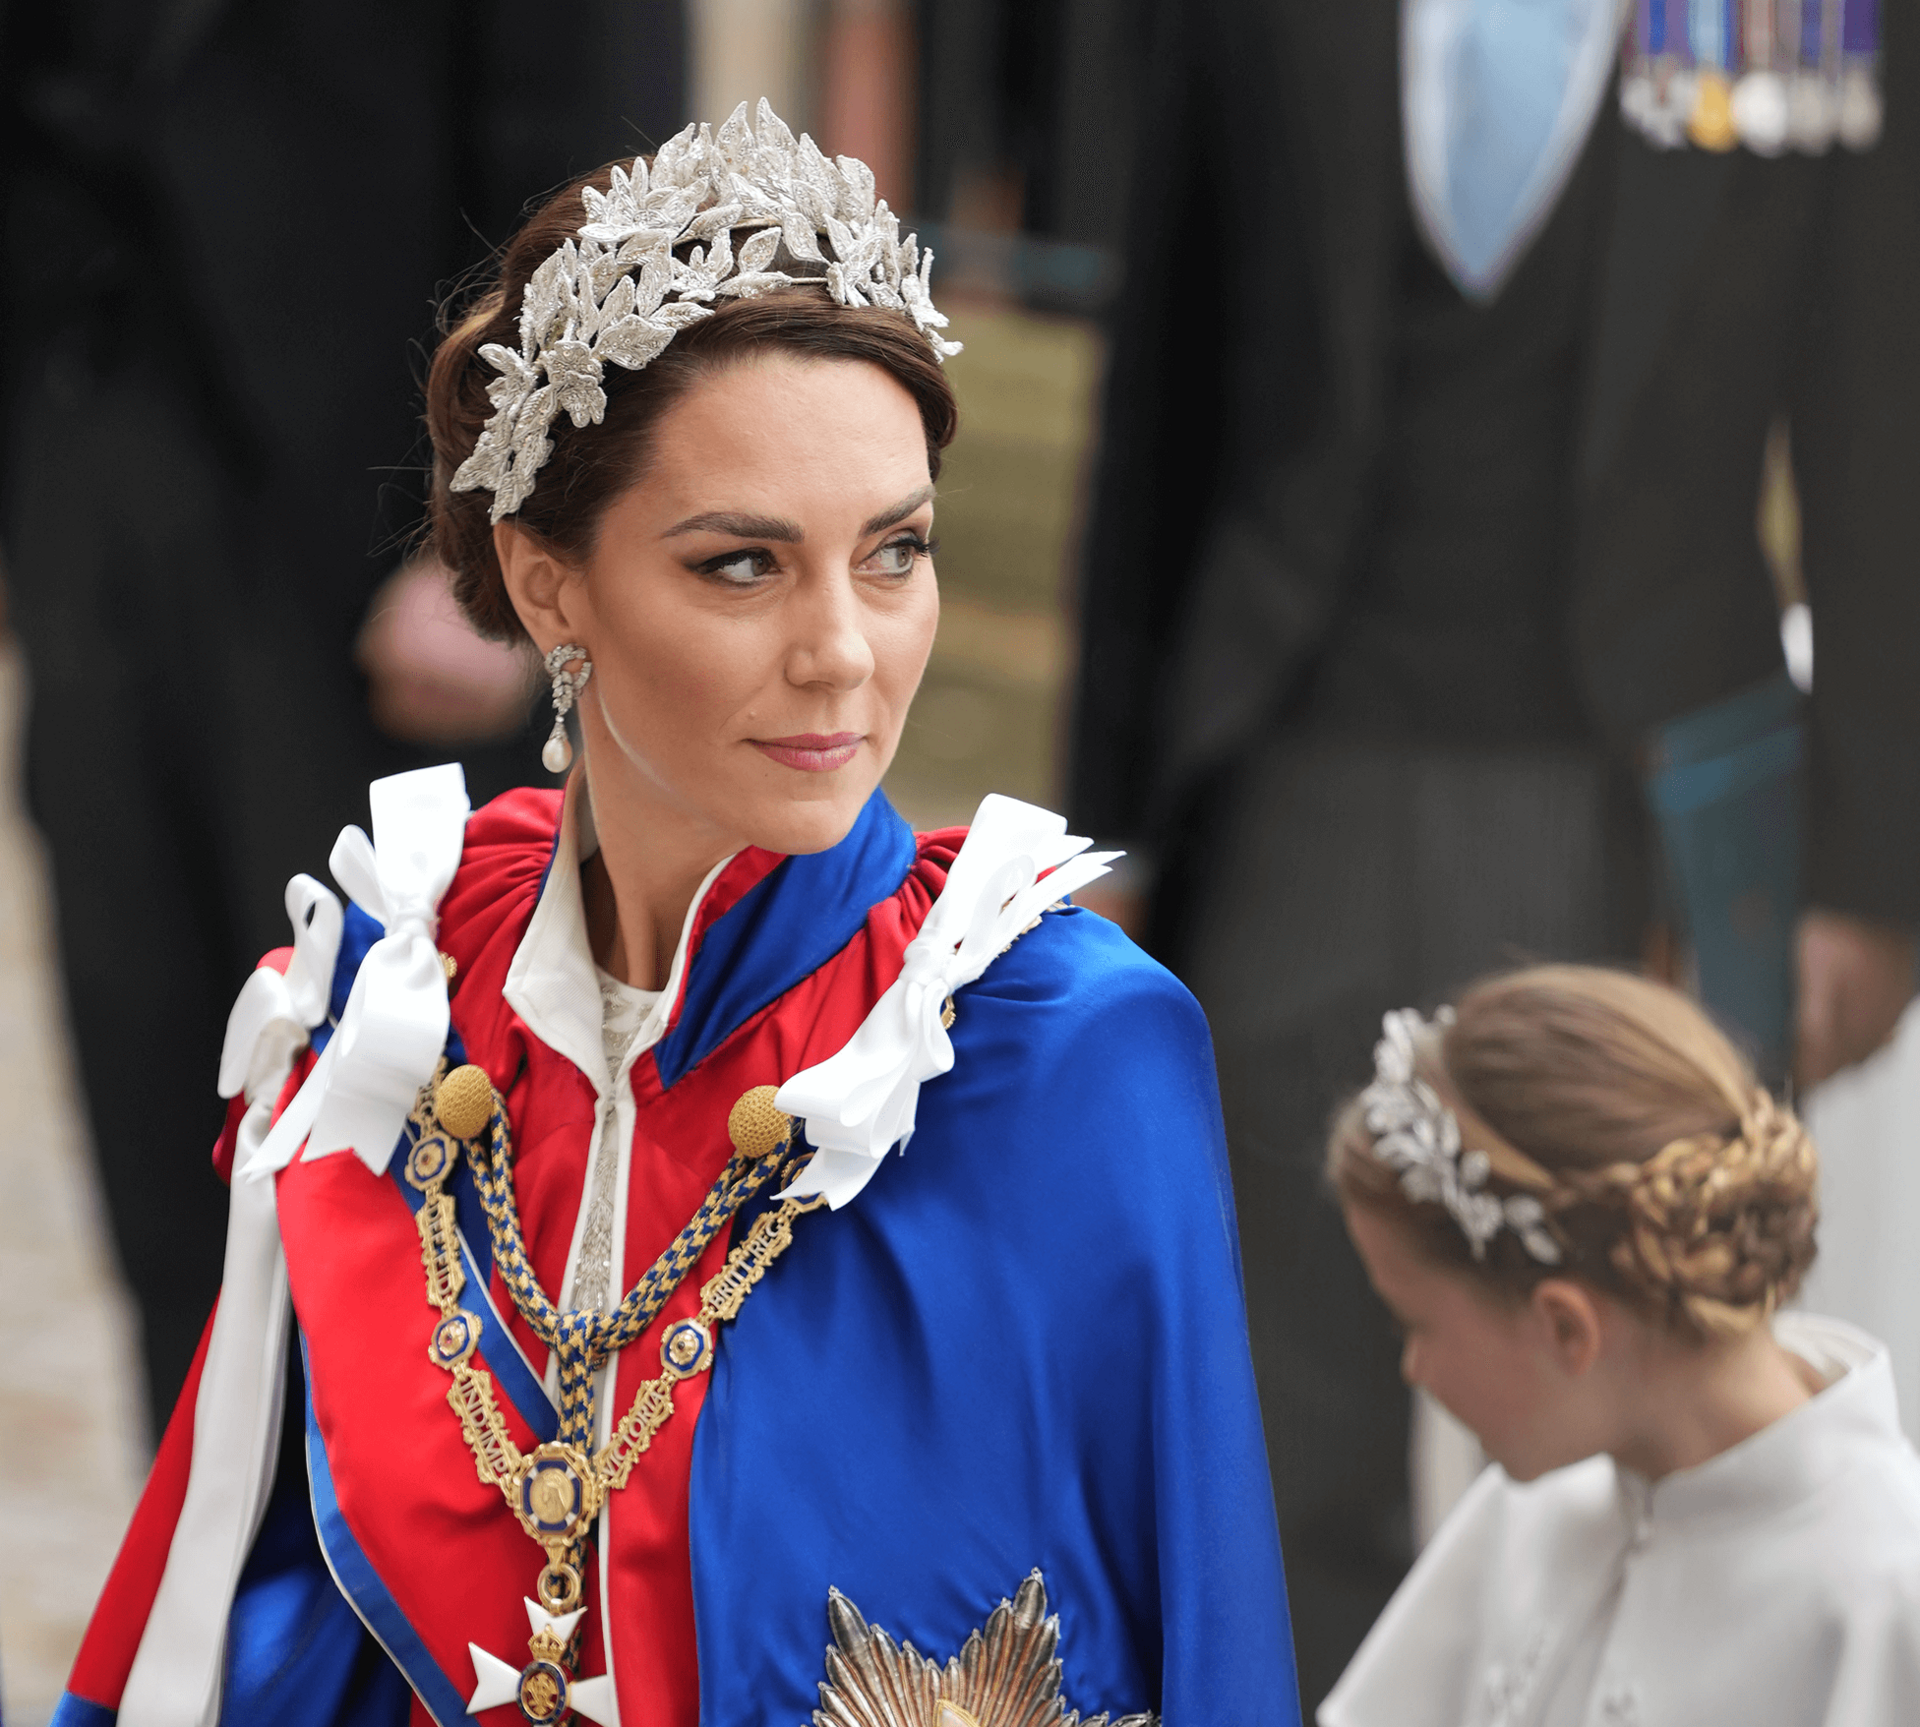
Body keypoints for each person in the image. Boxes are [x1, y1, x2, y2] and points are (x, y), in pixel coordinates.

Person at [51, 103, 1297, 1727]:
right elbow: (232, 1615)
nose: (845, 650)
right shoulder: (389, 1005)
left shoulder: (1059, 1050)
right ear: (547, 578)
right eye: (741, 566)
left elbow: (1208, 1642)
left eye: (896, 551)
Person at [1069, 0, 1920, 1702]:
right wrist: (1112, 828)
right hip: (1296, 777)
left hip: (1659, 823)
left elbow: (1879, 420)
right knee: (1276, 1399)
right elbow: (1161, 392)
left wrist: (1870, 874)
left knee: (1660, 1395)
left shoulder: (1811, 13)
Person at [0, 0, 688, 1435]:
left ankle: (425, 1639)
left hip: (379, 513)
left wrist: (506, 527)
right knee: (169, 1112)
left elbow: (599, 159)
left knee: (401, 1168)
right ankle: (206, 1622)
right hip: (93, 438)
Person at [1321, 965, 1920, 1725]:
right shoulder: (1530, 1512)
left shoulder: (1886, 1601)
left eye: (1415, 1323)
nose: (1413, 1367)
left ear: (1566, 1327)